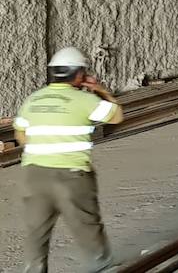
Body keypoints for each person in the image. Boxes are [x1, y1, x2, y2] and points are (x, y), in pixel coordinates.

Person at [14, 47, 122, 273]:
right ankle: (100, 267)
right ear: (79, 74)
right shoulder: (83, 99)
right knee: (87, 227)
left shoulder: (33, 99)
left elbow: (20, 135)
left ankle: (34, 269)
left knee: (37, 232)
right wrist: (101, 90)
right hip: (72, 176)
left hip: (35, 176)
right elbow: (116, 116)